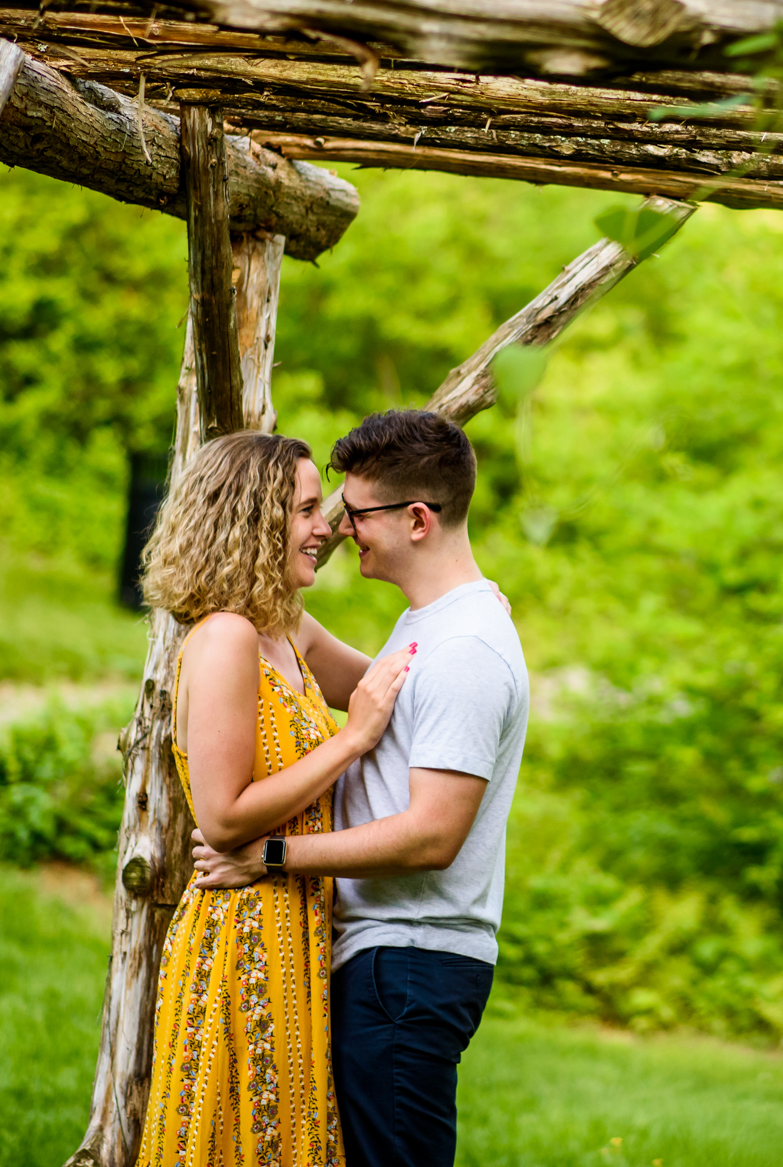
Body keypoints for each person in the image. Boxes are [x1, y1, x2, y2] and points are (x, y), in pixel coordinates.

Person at [194, 409, 529, 1167]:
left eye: (353, 512)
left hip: (407, 965)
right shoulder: (437, 628)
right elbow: (322, 668)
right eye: (325, 511)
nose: (341, 530)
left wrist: (271, 857)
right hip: (383, 961)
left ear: (417, 519)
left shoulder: (466, 645)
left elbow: (432, 835)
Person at [134, 430, 417, 1167]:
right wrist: (348, 743)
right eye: (307, 510)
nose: (326, 529)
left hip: (296, 924)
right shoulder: (226, 636)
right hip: (241, 935)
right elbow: (222, 815)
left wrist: (461, 612)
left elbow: (388, 683)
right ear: (253, 521)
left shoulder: (282, 627)